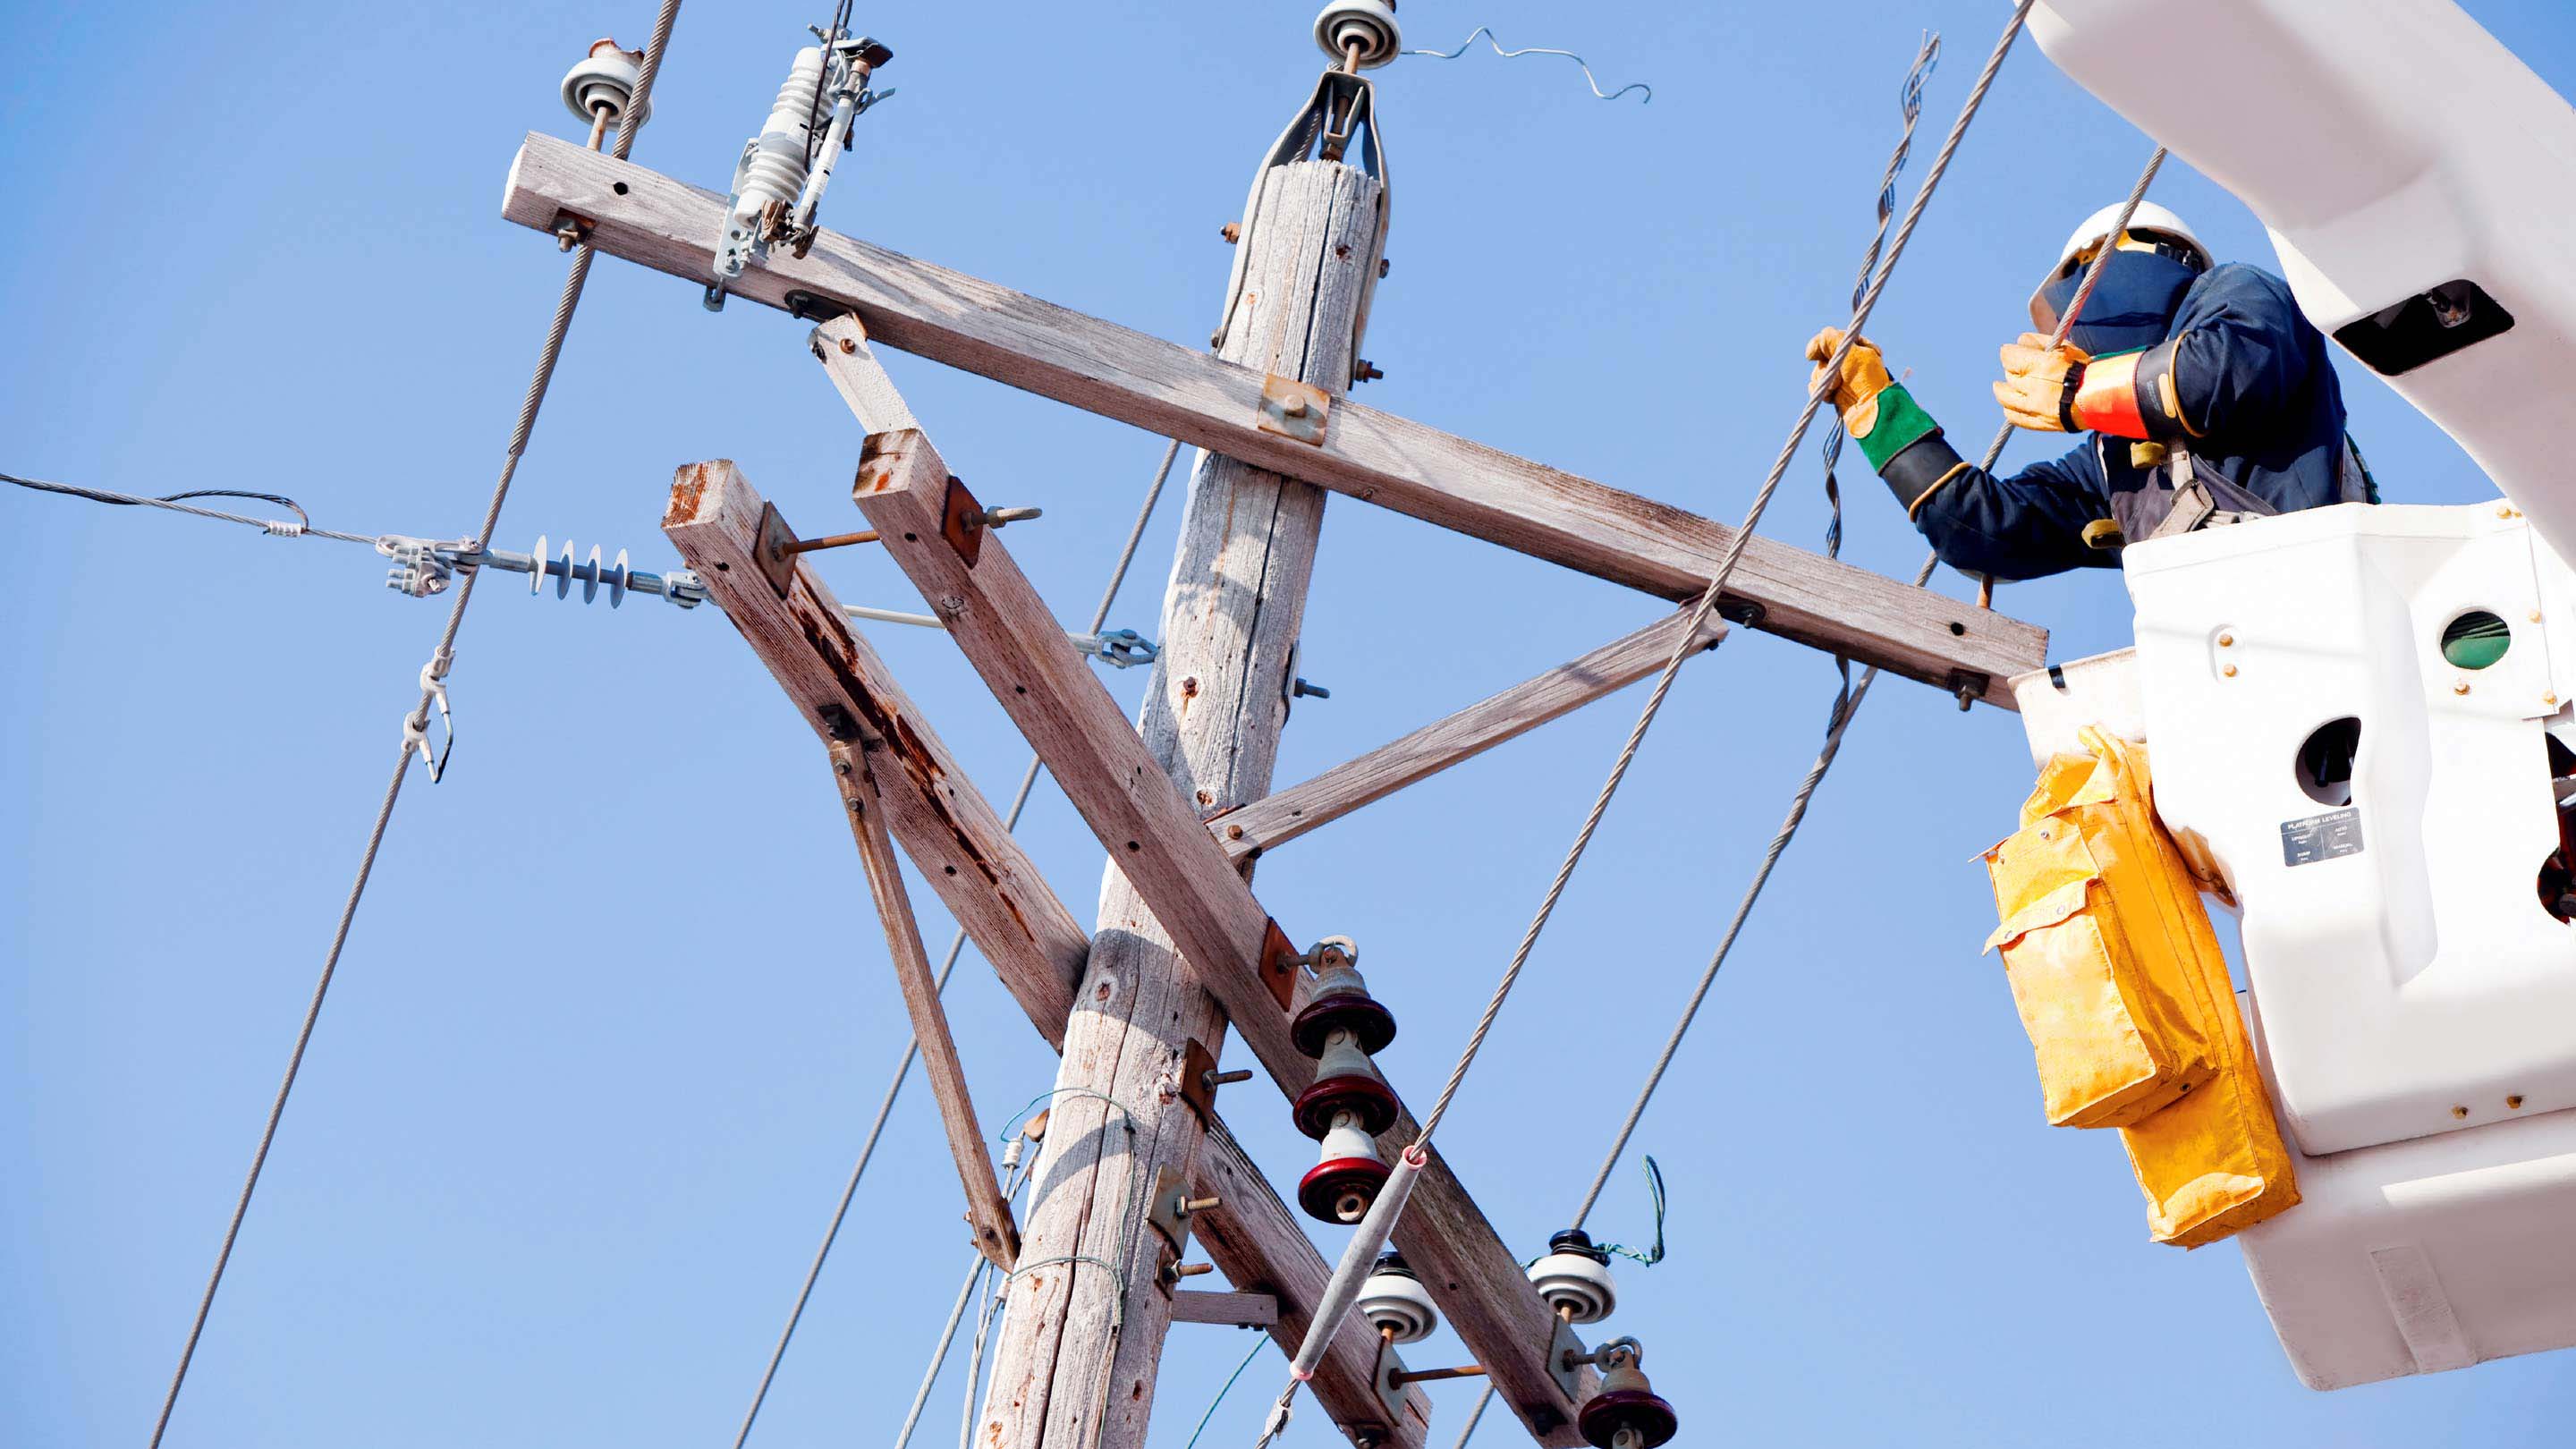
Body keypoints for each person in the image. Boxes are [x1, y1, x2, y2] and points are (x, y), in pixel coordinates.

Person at [1805, 201, 2372, 580]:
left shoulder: (2235, 291)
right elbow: (1981, 530)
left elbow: (2223, 372)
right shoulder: (2112, 462)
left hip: (2323, 598)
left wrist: (2078, 391)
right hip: (2225, 658)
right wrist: (1881, 415)